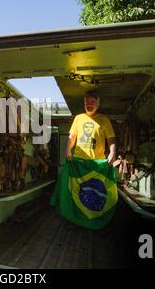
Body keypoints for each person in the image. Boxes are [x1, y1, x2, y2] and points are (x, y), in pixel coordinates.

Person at [50, 91, 118, 230]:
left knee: (95, 192)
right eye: (87, 102)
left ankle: (94, 217)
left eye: (92, 102)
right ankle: (76, 217)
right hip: (79, 162)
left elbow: (111, 138)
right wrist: (68, 149)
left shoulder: (104, 120)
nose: (89, 104)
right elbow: (72, 136)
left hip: (97, 164)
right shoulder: (78, 118)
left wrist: (112, 152)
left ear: (98, 104)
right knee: (77, 190)